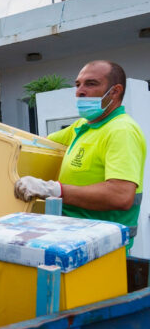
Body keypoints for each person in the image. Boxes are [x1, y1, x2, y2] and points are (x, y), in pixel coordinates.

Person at [14, 61, 146, 245]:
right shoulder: (83, 125)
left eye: (90, 84)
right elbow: (37, 144)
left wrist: (53, 189)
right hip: (74, 239)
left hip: (104, 248)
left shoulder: (121, 130)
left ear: (115, 91)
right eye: (78, 85)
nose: (79, 91)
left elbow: (121, 195)